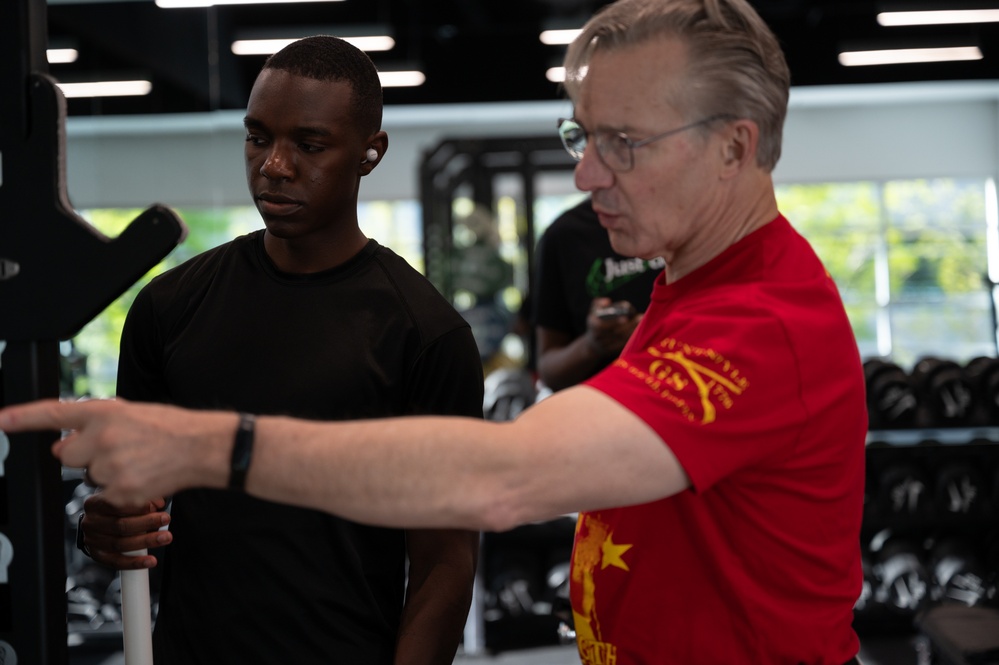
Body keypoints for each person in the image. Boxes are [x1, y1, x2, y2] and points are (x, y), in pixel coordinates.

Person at [1, 1, 868, 663]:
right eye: (583, 134)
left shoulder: (759, 324)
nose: (585, 170)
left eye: (624, 143)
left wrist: (208, 446)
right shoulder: (686, 292)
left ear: (733, 147)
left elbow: (501, 479)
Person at [71, 36, 483, 665]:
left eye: (309, 145)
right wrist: (102, 525)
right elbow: (131, 501)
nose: (275, 166)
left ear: (370, 152)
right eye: (258, 137)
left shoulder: (423, 334)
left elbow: (443, 563)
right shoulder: (171, 307)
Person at [533, 197, 663, 392]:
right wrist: (593, 344)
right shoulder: (564, 235)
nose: (583, 179)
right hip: (607, 403)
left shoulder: (686, 219)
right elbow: (549, 370)